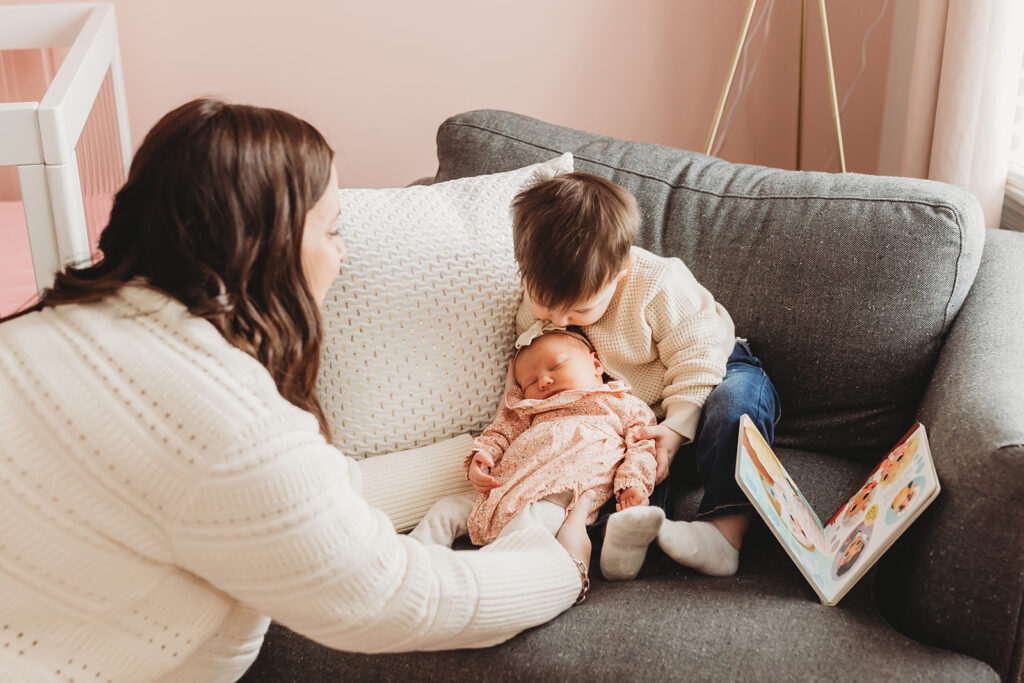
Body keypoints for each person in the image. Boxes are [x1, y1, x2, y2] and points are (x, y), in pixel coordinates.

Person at [0, 99, 591, 682]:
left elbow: (305, 497)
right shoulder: (223, 418)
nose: (342, 252)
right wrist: (558, 564)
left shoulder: (59, 330)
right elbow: (402, 599)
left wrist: (478, 457)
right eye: (332, 229)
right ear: (266, 245)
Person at [511, 171, 781, 577]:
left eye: (580, 310)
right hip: (634, 414)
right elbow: (523, 375)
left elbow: (698, 357)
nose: (561, 321)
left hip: (712, 371)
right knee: (616, 465)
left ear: (620, 272)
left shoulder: (658, 283)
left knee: (735, 410)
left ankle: (724, 535)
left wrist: (675, 429)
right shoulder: (540, 301)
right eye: (545, 306)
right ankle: (629, 534)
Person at [410, 327, 663, 580]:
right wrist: (482, 457)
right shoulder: (528, 410)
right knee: (446, 508)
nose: (543, 381)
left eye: (556, 366)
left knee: (523, 532)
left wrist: (632, 484)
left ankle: (477, 579)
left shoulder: (621, 404)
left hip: (556, 496)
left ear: (596, 364)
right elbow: (500, 432)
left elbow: (642, 446)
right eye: (530, 382)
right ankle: (410, 559)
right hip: (503, 490)